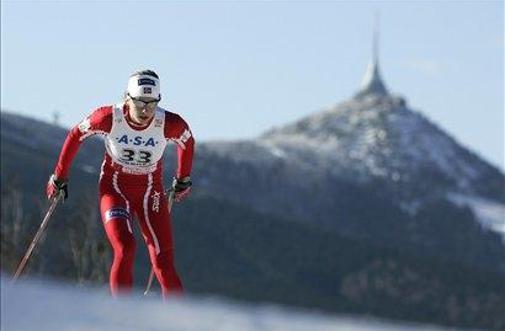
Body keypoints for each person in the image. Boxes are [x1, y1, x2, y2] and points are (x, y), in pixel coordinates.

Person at [46, 69, 195, 298]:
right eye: (139, 103)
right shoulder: (109, 117)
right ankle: (120, 317)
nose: (146, 110)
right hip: (115, 189)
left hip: (150, 192)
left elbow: (187, 141)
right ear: (127, 98)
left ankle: (180, 320)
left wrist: (183, 178)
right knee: (126, 248)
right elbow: (76, 134)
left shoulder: (168, 123)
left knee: (163, 261)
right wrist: (59, 176)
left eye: (151, 103)